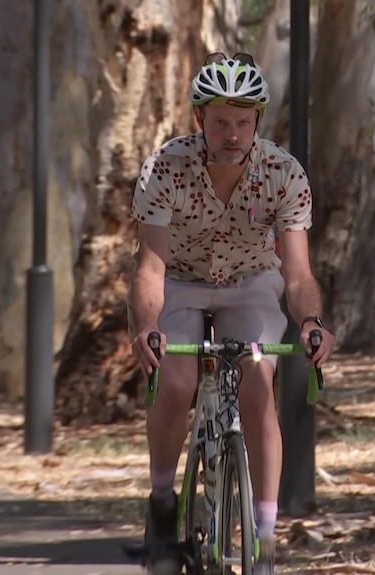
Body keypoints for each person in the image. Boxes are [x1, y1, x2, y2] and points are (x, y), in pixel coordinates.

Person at [127, 52, 336, 575]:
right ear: (200, 119)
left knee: (258, 384)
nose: (232, 133)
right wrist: (147, 327)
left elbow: (298, 274)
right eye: (220, 121)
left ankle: (264, 537)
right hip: (181, 283)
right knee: (175, 382)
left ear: (257, 121)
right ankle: (160, 500)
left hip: (250, 283)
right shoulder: (165, 167)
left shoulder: (284, 173)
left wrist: (310, 323)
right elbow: (150, 267)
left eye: (243, 121)